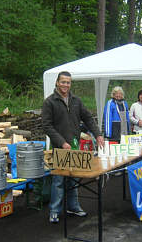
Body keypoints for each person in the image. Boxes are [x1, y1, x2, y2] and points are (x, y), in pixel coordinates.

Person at [42, 71, 105, 224]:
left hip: (75, 146)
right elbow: (47, 126)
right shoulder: (49, 102)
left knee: (74, 178)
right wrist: (62, 142)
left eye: (68, 82)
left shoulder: (76, 100)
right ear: (57, 82)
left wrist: (98, 134)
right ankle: (54, 211)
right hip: (60, 148)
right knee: (59, 180)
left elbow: (88, 118)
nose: (65, 85)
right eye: (63, 82)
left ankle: (73, 206)